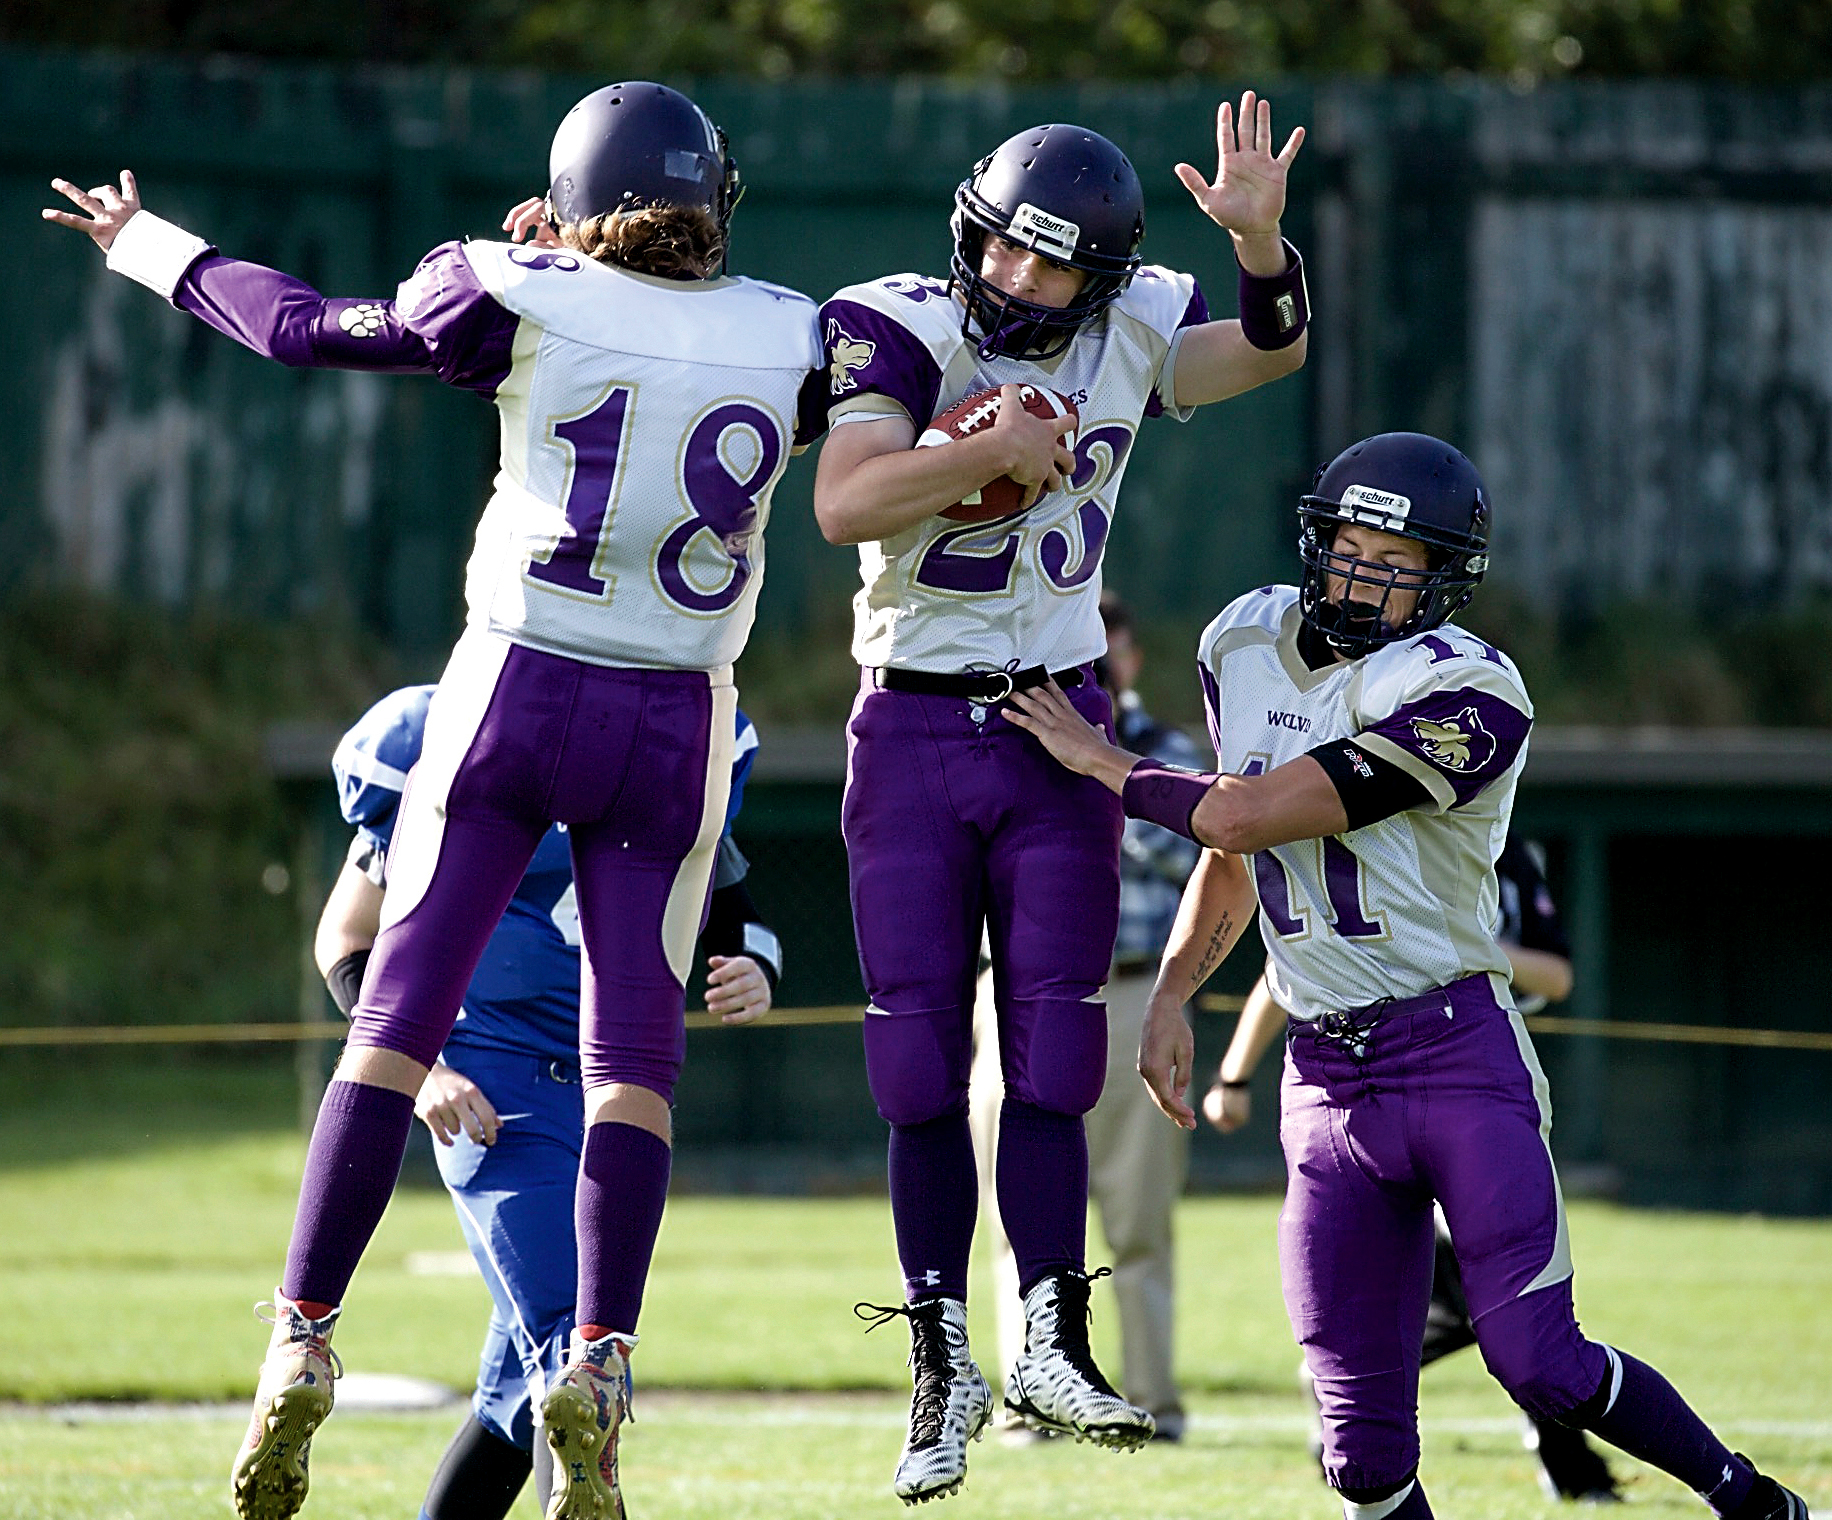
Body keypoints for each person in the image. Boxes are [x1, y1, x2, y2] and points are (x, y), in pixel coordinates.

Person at [45, 80, 823, 1520]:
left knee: (394, 1032)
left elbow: (298, 328)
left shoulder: (509, 285)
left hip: (516, 687)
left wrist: (148, 245)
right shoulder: (797, 332)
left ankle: (303, 1333)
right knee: (633, 1069)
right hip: (674, 714)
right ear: (718, 202)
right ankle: (598, 1353)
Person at [1000, 432, 1809, 1520]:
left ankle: (1748, 1497)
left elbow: (1239, 809)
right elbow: (1234, 854)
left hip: (1454, 1049)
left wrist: (1100, 761)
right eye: (1350, 548)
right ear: (1314, 539)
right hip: (1324, 1076)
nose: (1367, 576)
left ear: (1445, 579)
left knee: (1540, 1360)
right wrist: (1175, 994)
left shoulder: (1468, 689)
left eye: (1400, 561)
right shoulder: (1240, 636)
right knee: (1358, 1448)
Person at [816, 91, 1309, 1503]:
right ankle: (938, 1358)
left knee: (1052, 1050)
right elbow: (847, 506)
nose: (1018, 283)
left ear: (1101, 277)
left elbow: (1270, 356)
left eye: (1051, 268)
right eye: (1004, 254)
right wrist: (980, 455)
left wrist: (1265, 249)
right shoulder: (899, 323)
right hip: (911, 718)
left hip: (1055, 719)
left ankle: (1049, 1328)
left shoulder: (1135, 323)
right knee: (915, 1060)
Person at [317, 688, 781, 1520]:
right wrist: (421, 1067)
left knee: (511, 1398)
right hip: (495, 1090)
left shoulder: (660, 743)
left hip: (609, 1101)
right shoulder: (453, 737)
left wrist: (756, 967)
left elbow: (739, 920)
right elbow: (346, 938)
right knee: (578, 1348)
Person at [1207, 841, 1623, 1503]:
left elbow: (1557, 976)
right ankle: (1359, 1399)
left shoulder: (1505, 852)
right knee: (1489, 1297)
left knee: (1504, 1296)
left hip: (1493, 1081)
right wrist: (1232, 1073)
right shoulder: (1373, 839)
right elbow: (1287, 968)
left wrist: (1467, 949)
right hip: (1381, 1097)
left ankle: (1345, 1388)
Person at [968, 591, 1203, 1443]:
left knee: (1140, 1219)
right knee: (1011, 1214)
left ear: (1132, 661)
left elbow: (1189, 847)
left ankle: (1152, 1404)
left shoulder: (1171, 751)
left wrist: (1095, 768)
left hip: (1134, 993)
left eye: (1112, 653)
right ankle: (1032, 1401)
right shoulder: (1001, 735)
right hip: (1020, 998)